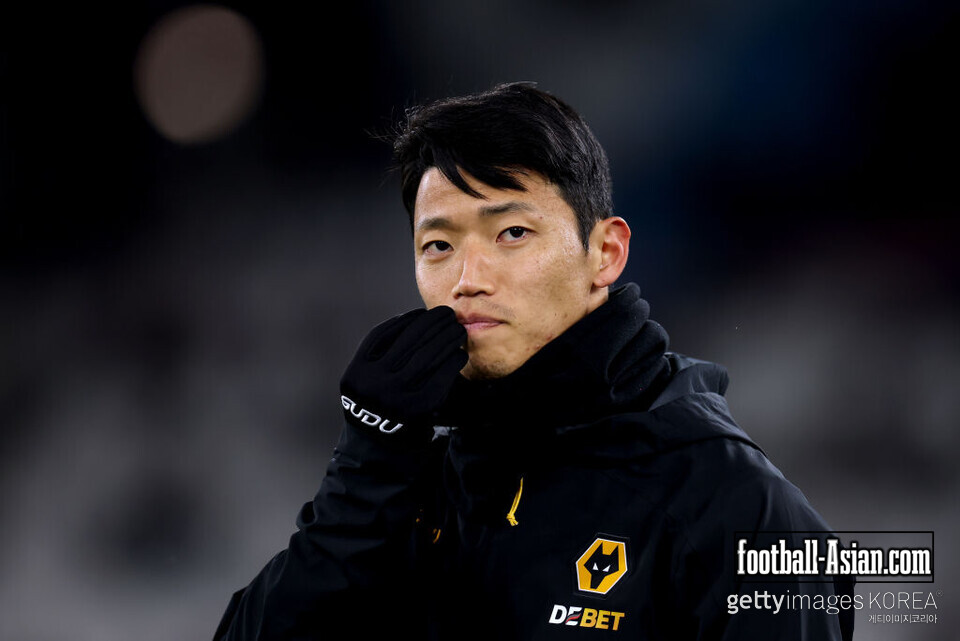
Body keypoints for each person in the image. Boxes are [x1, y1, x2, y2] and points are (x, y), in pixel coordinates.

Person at [213, 82, 855, 640]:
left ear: (605, 252)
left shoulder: (745, 516)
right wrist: (363, 471)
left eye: (511, 233)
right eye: (437, 245)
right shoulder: (406, 491)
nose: (467, 278)